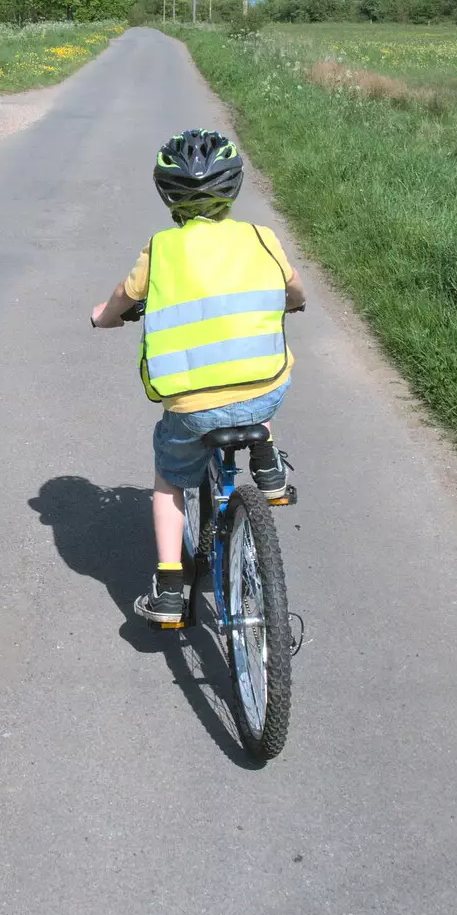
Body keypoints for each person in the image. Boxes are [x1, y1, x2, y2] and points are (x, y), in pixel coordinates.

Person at [91, 129, 307, 625]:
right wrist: (295, 303)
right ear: (232, 190)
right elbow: (293, 288)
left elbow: (123, 300)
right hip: (263, 391)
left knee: (169, 478)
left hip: (191, 411)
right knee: (256, 381)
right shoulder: (261, 237)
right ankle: (267, 466)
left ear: (168, 195)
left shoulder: (161, 249)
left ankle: (170, 586)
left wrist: (103, 315)